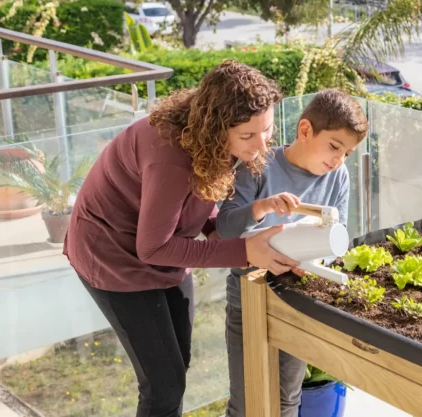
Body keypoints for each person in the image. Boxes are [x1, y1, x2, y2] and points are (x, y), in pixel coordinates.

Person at [63, 60, 299, 417]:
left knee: (176, 367)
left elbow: (192, 204)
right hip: (112, 256)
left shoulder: (208, 136)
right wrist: (244, 250)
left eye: (266, 130)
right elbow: (153, 247)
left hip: (161, 249)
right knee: (164, 385)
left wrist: (233, 226)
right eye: (248, 136)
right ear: (216, 127)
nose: (261, 144)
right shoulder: (169, 157)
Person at [216, 89, 368, 417]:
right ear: (304, 130)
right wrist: (262, 206)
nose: (339, 160)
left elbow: (335, 239)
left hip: (298, 300)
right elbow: (224, 229)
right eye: (334, 146)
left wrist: (314, 263)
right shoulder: (258, 166)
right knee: (246, 405)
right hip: (249, 296)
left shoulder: (337, 176)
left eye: (348, 153)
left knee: (287, 401)